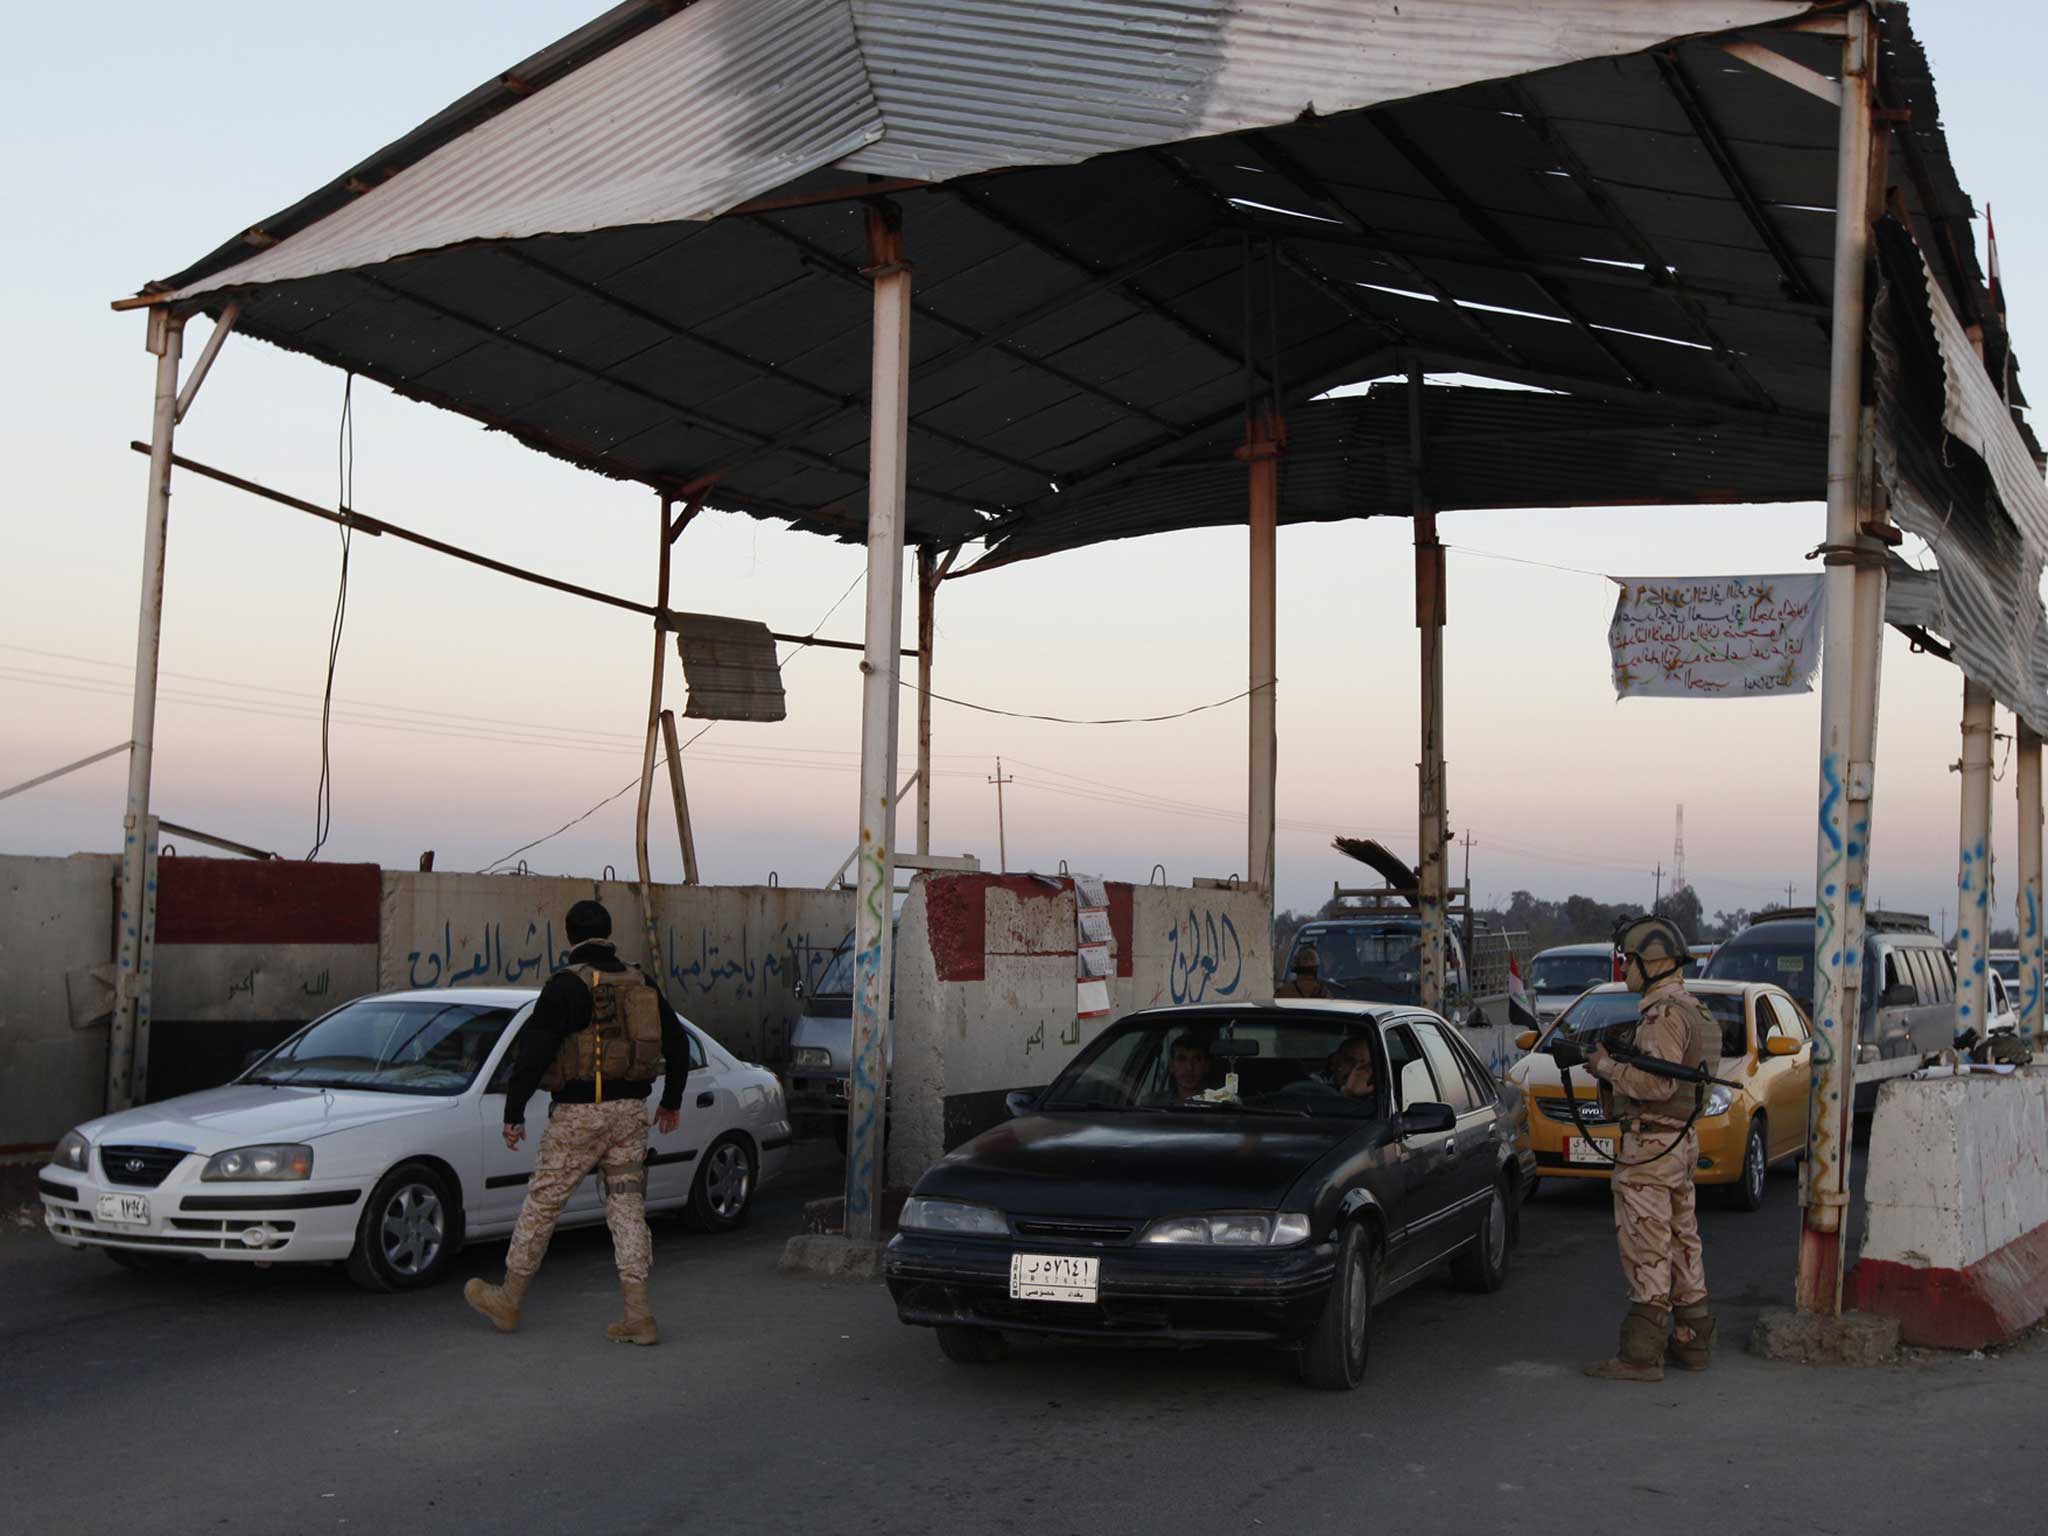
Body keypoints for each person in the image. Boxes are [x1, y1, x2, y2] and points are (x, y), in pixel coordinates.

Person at [463, 899, 691, 1346]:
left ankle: (508, 1300)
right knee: (627, 1208)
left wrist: (513, 1113)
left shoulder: (565, 986)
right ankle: (639, 1315)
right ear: (608, 933)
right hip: (630, 1115)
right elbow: (677, 1042)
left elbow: (535, 1053)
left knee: (544, 1202)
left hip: (578, 1118)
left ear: (570, 937)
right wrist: (672, 1102)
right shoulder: (639, 980)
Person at [1581, 914, 1720, 1382]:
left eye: (1629, 960)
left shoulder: (1662, 1014)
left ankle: (1640, 1355)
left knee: (1648, 1247)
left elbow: (1658, 1084)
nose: (1624, 970)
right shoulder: (1693, 1008)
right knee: (1683, 1242)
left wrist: (1605, 1068)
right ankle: (1693, 1341)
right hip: (1679, 1143)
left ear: (1651, 963)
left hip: (1652, 1146)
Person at [1162, 1031, 1215, 1102]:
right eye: (1181, 1059)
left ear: (1206, 1066)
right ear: (1171, 1066)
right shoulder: (1154, 1103)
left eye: (1196, 1060)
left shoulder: (1222, 1105)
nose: (1189, 1068)